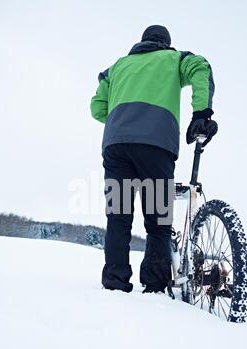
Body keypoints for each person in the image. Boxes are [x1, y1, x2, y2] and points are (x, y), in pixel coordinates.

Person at [90, 25, 218, 294]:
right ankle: (155, 285)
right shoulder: (174, 59)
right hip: (156, 146)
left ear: (142, 42)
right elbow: (201, 67)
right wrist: (201, 113)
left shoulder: (117, 67)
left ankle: (114, 281)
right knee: (158, 222)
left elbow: (97, 108)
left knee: (118, 217)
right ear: (165, 43)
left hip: (117, 146)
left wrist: (122, 119)